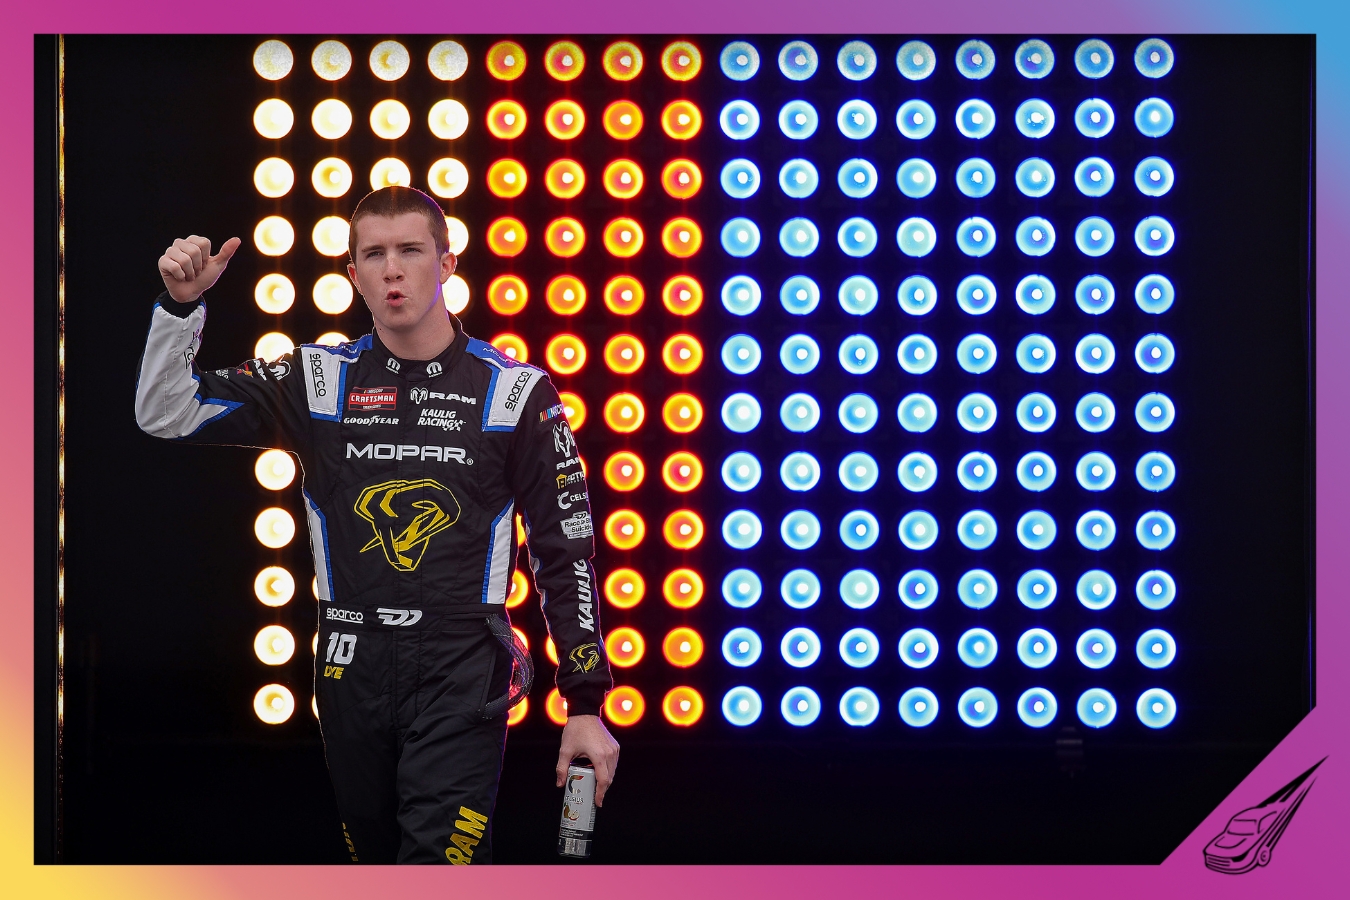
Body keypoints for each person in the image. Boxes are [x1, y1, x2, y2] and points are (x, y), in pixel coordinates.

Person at [135, 185, 619, 864]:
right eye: (375, 254)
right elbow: (166, 412)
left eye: (411, 250)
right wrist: (181, 307)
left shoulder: (515, 392)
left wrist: (586, 703)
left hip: (462, 664)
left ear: (446, 264)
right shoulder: (318, 379)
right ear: (353, 274)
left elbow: (564, 552)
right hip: (349, 665)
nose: (393, 269)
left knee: (437, 868)